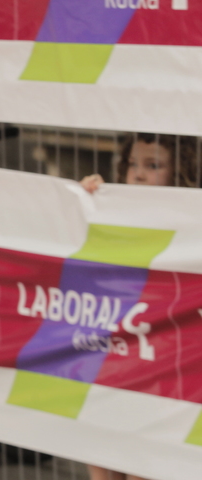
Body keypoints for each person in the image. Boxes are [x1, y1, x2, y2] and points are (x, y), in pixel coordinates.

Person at [80, 132, 198, 480]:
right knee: (100, 444)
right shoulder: (117, 213)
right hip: (117, 351)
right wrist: (84, 203)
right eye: (132, 164)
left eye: (153, 165)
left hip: (166, 359)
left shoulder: (191, 221)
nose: (139, 174)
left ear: (180, 172)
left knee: (145, 460)